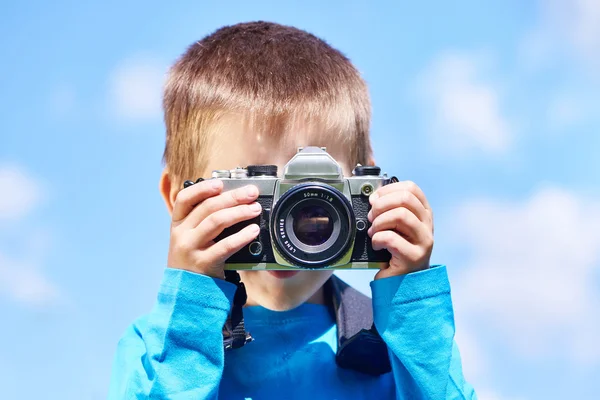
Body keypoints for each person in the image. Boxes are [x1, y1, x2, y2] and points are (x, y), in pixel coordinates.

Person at [108, 21, 477, 399]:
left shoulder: (394, 348)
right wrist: (191, 316)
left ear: (366, 192)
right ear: (179, 199)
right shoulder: (153, 351)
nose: (292, 221)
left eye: (315, 196)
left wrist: (410, 305)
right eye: (255, 189)